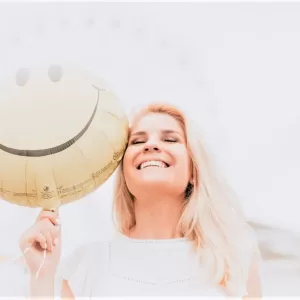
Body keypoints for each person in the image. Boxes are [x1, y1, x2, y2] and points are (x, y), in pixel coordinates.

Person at [19, 102, 262, 299]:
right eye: (137, 141)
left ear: (194, 172)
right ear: (124, 172)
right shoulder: (87, 266)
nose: (151, 145)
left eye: (170, 139)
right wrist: (41, 277)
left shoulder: (234, 259)